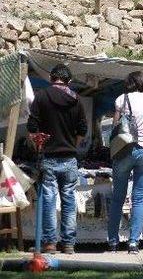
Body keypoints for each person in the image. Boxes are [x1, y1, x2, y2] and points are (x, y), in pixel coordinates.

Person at [27, 63, 88, 255]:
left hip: (49, 157)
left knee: (49, 200)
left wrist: (39, 144)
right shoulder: (76, 99)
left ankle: (50, 243)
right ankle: (68, 243)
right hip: (69, 158)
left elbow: (32, 127)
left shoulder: (42, 96)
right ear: (68, 81)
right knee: (69, 200)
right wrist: (73, 145)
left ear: (52, 78)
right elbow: (83, 131)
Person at [108, 72, 143, 254]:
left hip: (124, 151)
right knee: (139, 199)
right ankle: (133, 243)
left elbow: (116, 128)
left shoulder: (122, 99)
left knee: (118, 198)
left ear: (129, 83)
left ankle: (113, 242)